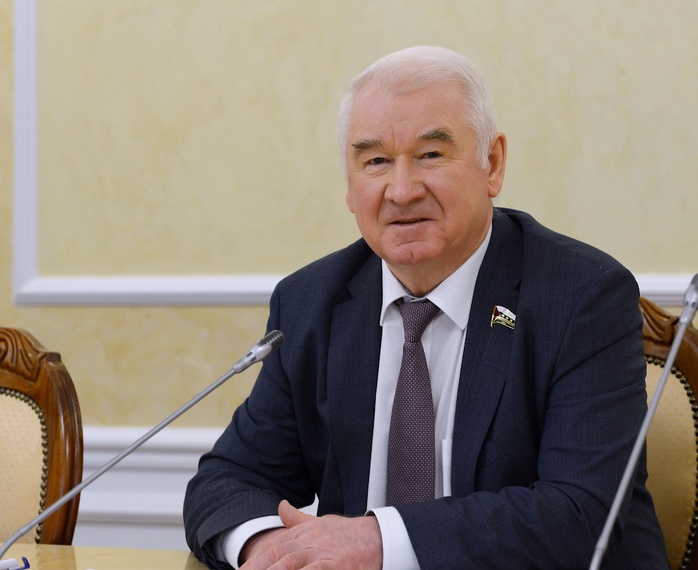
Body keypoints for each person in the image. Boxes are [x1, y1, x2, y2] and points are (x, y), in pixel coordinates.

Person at [183, 46, 669, 569]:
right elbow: (228, 481)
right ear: (349, 186)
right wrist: (269, 549)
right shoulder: (311, 303)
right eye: (375, 162)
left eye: (431, 155)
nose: (401, 190)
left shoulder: (581, 296)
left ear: (492, 164)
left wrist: (378, 542)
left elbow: (580, 516)